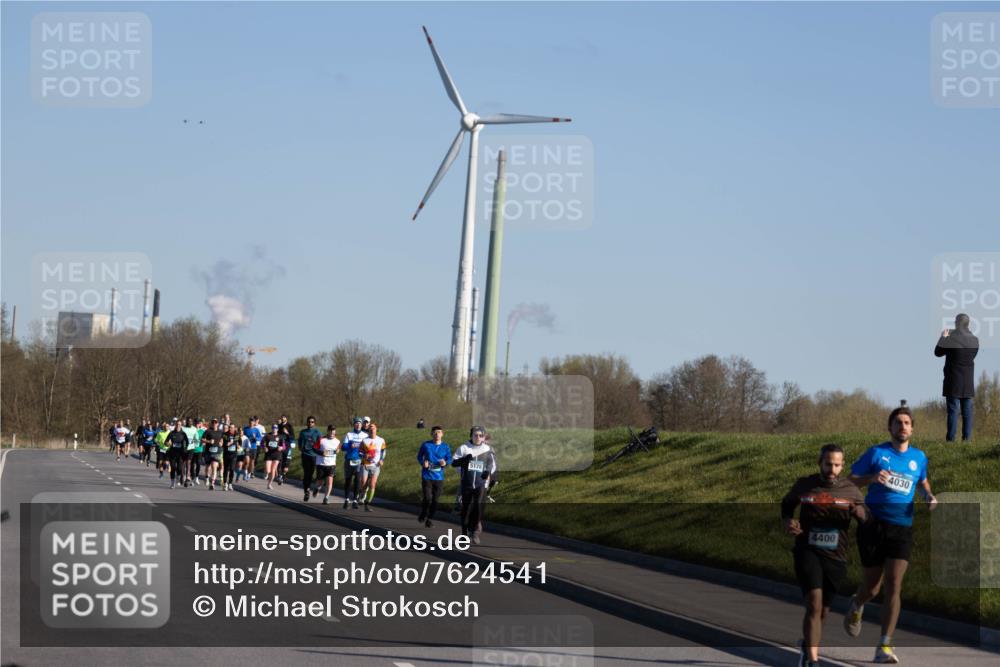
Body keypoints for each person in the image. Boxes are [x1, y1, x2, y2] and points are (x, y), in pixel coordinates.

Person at [844, 406, 938, 664]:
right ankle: (857, 603)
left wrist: (928, 496)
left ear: (912, 428)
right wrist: (872, 478)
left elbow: (921, 481)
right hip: (873, 525)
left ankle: (884, 645)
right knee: (873, 588)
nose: (903, 427)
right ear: (890, 427)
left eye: (907, 423)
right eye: (898, 422)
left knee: (894, 585)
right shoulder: (877, 453)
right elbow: (849, 481)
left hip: (901, 527)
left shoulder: (918, 457)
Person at [782, 444, 866, 667]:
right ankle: (812, 660)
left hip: (836, 557)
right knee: (814, 604)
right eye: (828, 464)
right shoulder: (806, 485)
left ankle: (807, 645)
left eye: (837, 465)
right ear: (820, 463)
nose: (832, 469)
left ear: (842, 465)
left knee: (823, 612)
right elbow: (787, 505)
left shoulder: (850, 490)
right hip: (807, 552)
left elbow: (867, 520)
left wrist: (861, 515)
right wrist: (788, 521)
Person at [934, 313, 980, 441]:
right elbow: (972, 356)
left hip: (953, 380)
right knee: (967, 413)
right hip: (968, 381)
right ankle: (967, 439)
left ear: (957, 323)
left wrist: (943, 337)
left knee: (953, 411)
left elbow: (937, 352)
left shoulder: (951, 339)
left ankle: (951, 439)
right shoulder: (975, 340)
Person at [451, 426, 497, 544]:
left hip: (481, 484)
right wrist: (464, 461)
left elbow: (492, 464)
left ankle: (474, 532)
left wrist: (488, 471)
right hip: (466, 483)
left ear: (483, 437)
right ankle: (464, 533)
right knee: (466, 510)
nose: (478, 437)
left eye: (480, 435)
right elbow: (454, 463)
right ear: (471, 435)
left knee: (478, 507)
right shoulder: (464, 448)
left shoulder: (487, 449)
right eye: (475, 435)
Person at [417, 426, 452, 527]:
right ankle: (424, 513)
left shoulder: (445, 446)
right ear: (431, 434)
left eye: (439, 433)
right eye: (435, 433)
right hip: (427, 475)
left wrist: (445, 462)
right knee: (428, 498)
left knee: (435, 500)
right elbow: (419, 456)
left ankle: (430, 519)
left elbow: (449, 458)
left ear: (442, 434)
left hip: (439, 477)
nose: (437, 435)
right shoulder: (426, 445)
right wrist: (423, 462)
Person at [359, 423, 386, 511]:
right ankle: (362, 493)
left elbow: (383, 451)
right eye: (370, 428)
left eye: (373, 428)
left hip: (376, 465)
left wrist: (382, 460)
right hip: (365, 464)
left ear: (376, 429)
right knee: (363, 483)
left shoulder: (381, 440)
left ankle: (367, 503)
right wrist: (364, 455)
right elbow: (359, 452)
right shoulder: (364, 440)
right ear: (368, 430)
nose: (371, 430)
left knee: (372, 484)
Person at [342, 418, 366, 509]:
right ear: (354, 425)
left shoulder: (364, 435)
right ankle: (346, 499)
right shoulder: (349, 434)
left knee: (357, 481)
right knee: (348, 480)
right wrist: (349, 446)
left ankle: (355, 501)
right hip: (349, 460)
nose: (358, 425)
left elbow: (367, 448)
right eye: (356, 423)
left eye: (359, 424)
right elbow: (343, 447)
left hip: (359, 461)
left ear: (361, 425)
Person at [314, 425, 341, 504]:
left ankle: (326, 498)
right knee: (320, 482)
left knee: (330, 481)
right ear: (328, 431)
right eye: (331, 431)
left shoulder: (337, 441)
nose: (332, 432)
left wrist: (338, 450)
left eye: (333, 431)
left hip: (331, 464)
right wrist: (321, 453)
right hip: (321, 464)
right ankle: (317, 488)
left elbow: (339, 448)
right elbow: (314, 449)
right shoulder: (322, 440)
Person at [297, 416, 322, 501]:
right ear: (307, 422)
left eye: (312, 422)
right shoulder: (303, 432)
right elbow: (299, 441)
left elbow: (321, 443)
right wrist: (300, 447)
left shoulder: (317, 432)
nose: (310, 423)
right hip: (306, 455)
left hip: (315, 456)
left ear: (314, 423)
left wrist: (319, 451)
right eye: (309, 421)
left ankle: (315, 487)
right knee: (307, 474)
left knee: (317, 474)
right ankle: (306, 491)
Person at [261, 424, 287, 489]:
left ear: (277, 429)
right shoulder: (267, 435)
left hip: (277, 455)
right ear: (271, 428)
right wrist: (264, 447)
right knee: (268, 470)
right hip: (268, 455)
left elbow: (284, 446)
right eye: (273, 428)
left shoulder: (280, 437)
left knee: (273, 470)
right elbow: (261, 443)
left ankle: (269, 484)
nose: (274, 429)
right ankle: (266, 472)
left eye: (275, 428)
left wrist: (281, 448)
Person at [202, 418, 224, 491]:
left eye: (216, 422)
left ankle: (212, 484)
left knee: (214, 467)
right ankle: (206, 477)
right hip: (208, 452)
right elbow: (202, 439)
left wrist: (221, 442)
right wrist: (208, 441)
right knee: (208, 467)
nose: (214, 423)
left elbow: (222, 439)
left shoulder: (220, 432)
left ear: (217, 424)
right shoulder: (208, 431)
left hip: (216, 452)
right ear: (211, 423)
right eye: (213, 422)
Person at [166, 422, 189, 489]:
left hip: (181, 454)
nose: (178, 425)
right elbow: (166, 442)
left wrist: (185, 448)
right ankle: (172, 483)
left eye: (179, 424)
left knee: (179, 468)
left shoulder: (183, 434)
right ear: (175, 425)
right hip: (172, 453)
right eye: (177, 424)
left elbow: (187, 442)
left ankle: (178, 476)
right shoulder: (171, 433)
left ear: (181, 425)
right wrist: (168, 443)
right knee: (173, 468)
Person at [277, 415, 296, 485]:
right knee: (279, 461)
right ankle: (280, 476)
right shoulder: (279, 426)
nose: (282, 419)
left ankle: (283, 475)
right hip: (280, 445)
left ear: (286, 418)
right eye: (282, 417)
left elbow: (293, 436)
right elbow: (277, 434)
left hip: (287, 446)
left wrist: (287, 433)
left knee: (286, 464)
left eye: (284, 417)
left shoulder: (289, 426)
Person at [222, 424, 242, 490]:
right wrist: (227, 444)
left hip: (234, 455)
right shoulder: (225, 434)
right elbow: (224, 443)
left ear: (234, 428)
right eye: (230, 427)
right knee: (226, 469)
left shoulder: (237, 435)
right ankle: (225, 483)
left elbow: (240, 442)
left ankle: (230, 483)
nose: (231, 429)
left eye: (232, 428)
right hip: (226, 454)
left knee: (232, 469)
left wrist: (239, 446)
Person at [242, 416, 262, 482]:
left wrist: (255, 438)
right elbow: (241, 436)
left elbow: (260, 438)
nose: (251, 422)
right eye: (250, 421)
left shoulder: (256, 430)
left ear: (254, 422)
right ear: (249, 422)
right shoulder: (245, 429)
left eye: (252, 421)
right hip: (247, 447)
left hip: (254, 447)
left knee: (252, 462)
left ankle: (249, 474)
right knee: (247, 460)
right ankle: (245, 472)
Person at [182, 418, 200, 487]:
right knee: (183, 463)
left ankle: (187, 477)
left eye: (191, 421)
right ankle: (183, 476)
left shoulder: (194, 429)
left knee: (188, 462)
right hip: (184, 448)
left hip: (191, 448)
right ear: (186, 422)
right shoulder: (183, 428)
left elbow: (197, 438)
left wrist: (196, 445)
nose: (190, 422)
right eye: (188, 421)